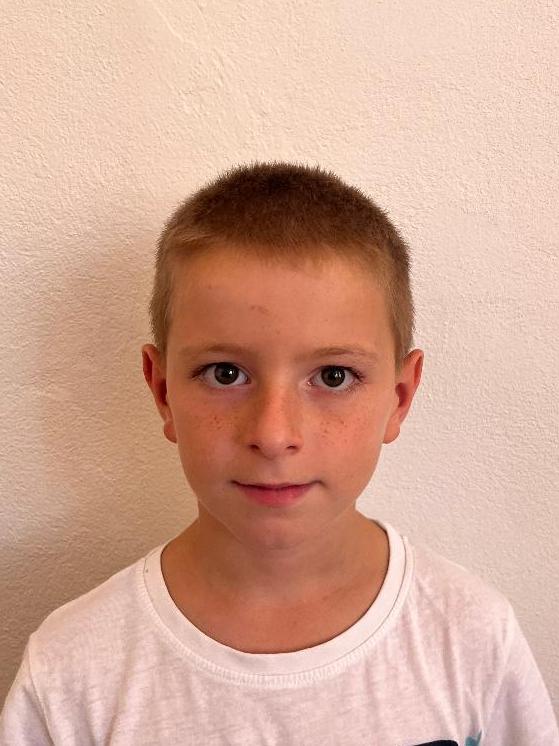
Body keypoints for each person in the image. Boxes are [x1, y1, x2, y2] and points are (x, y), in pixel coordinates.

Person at [1, 162, 557, 745]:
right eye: (225, 373)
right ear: (162, 390)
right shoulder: (71, 672)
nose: (272, 434)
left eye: (334, 376)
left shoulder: (473, 638)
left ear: (399, 397)